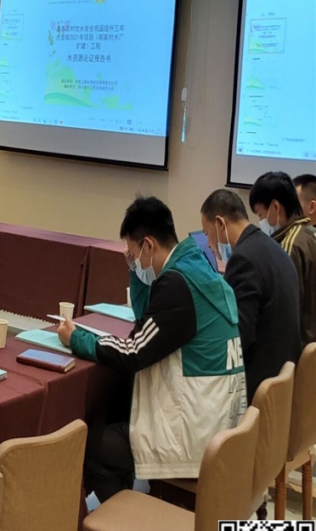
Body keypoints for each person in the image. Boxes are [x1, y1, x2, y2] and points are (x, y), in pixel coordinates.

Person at [56, 196, 245, 502]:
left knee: (93, 447)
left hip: (195, 434)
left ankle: (122, 526)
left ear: (148, 245)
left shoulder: (178, 285)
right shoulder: (198, 267)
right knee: (122, 407)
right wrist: (136, 269)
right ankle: (131, 510)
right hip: (220, 425)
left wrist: (77, 338)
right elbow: (146, 320)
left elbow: (134, 351)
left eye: (133, 256)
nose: (133, 263)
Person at [200, 189, 302, 402]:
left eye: (207, 234)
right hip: (284, 380)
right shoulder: (274, 247)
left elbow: (238, 337)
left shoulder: (243, 259)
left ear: (220, 223)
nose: (209, 244)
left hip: (256, 387)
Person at [250, 171, 316, 345]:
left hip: (296, 349)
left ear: (275, 207)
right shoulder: (309, 233)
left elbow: (282, 312)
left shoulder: (289, 246)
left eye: (261, 215)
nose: (261, 222)